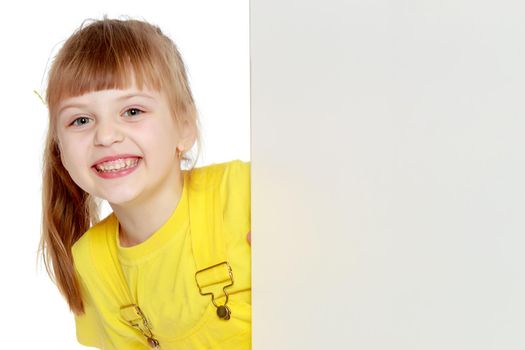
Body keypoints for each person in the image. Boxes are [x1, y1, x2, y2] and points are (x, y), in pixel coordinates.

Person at [38, 16, 251, 349]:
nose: (106, 136)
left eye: (133, 111)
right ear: (60, 149)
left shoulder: (244, 194)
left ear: (184, 126)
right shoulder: (94, 263)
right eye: (81, 119)